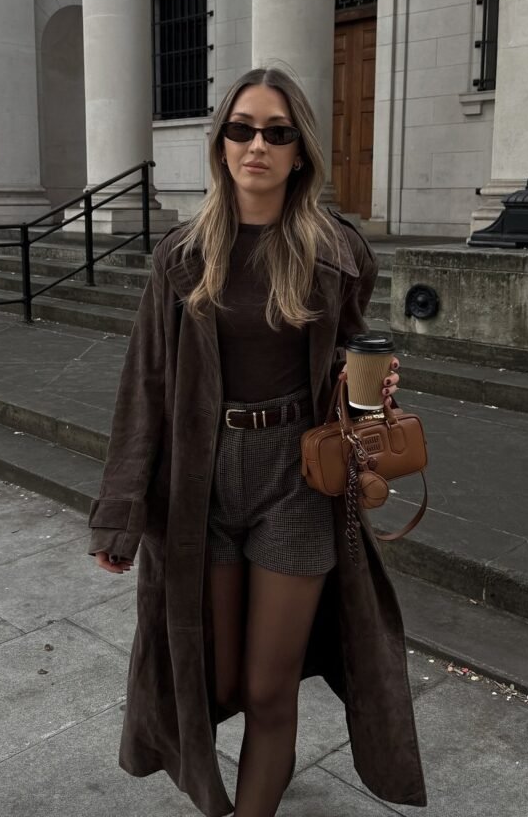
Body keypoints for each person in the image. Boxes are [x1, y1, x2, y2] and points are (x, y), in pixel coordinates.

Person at [89, 67, 426, 817]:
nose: (257, 145)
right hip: (198, 484)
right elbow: (143, 385)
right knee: (224, 683)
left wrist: (371, 380)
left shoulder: (336, 252)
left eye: (277, 132)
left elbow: (349, 361)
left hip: (294, 480)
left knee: (270, 691)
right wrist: (119, 509)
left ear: (299, 151)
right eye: (241, 128)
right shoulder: (181, 256)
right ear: (219, 144)